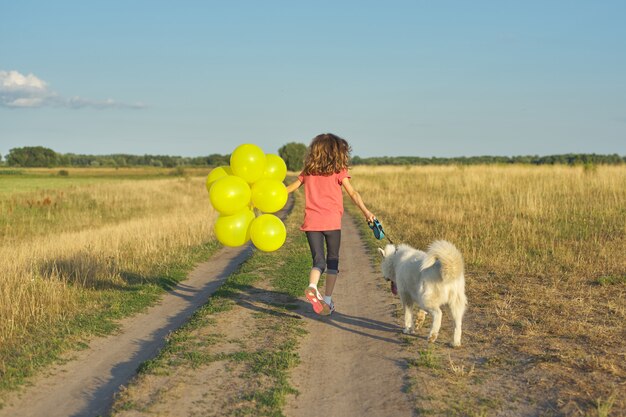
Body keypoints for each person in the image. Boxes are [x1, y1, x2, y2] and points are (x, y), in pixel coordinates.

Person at [286, 133, 376, 315]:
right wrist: (367, 212)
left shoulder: (308, 171)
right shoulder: (339, 171)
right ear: (336, 152)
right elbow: (353, 194)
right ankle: (327, 300)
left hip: (312, 223)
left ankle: (312, 286)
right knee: (332, 261)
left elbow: (288, 189)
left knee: (318, 261)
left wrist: (267, 196)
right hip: (332, 223)